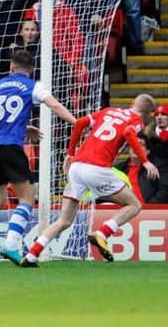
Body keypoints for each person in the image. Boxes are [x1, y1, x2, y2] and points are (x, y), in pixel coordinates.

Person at [0, 50, 76, 268]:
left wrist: (24, 127)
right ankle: (11, 245)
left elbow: (2, 117)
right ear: (31, 69)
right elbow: (54, 105)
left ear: (11, 68)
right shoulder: (34, 85)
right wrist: (76, 122)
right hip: (12, 147)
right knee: (27, 197)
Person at [21, 94, 159, 267]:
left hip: (77, 167)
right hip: (98, 169)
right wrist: (146, 162)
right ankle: (102, 233)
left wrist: (70, 153)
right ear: (147, 114)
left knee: (64, 220)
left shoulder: (108, 111)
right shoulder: (136, 119)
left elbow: (79, 123)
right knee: (134, 205)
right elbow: (128, 132)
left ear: (132, 102)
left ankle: (31, 255)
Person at [142, 104, 168, 203]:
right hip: (151, 174)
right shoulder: (145, 135)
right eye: (157, 115)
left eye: (163, 114)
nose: (159, 117)